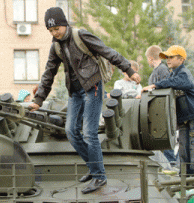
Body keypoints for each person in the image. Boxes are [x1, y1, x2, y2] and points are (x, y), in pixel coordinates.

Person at [29, 7, 141, 194]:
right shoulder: (55, 46)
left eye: (57, 28)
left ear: (64, 23)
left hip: (93, 87)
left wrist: (129, 69)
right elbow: (49, 73)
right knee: (71, 131)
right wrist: (38, 100)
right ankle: (93, 166)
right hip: (75, 92)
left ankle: (99, 177)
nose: (54, 33)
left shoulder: (81, 35)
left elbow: (107, 51)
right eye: (51, 31)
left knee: (89, 133)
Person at [142, 45, 194, 176]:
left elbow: (175, 82)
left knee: (192, 151)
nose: (168, 60)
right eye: (167, 57)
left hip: (192, 118)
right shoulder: (173, 73)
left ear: (181, 59)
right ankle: (184, 180)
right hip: (184, 120)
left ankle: (190, 181)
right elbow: (169, 81)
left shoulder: (184, 74)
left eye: (171, 57)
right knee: (183, 150)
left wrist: (154, 85)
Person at [145, 45, 177, 166]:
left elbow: (166, 88)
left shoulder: (162, 69)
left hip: (162, 109)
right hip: (156, 110)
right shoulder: (156, 71)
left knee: (165, 136)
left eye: (147, 58)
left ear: (151, 58)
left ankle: (171, 164)